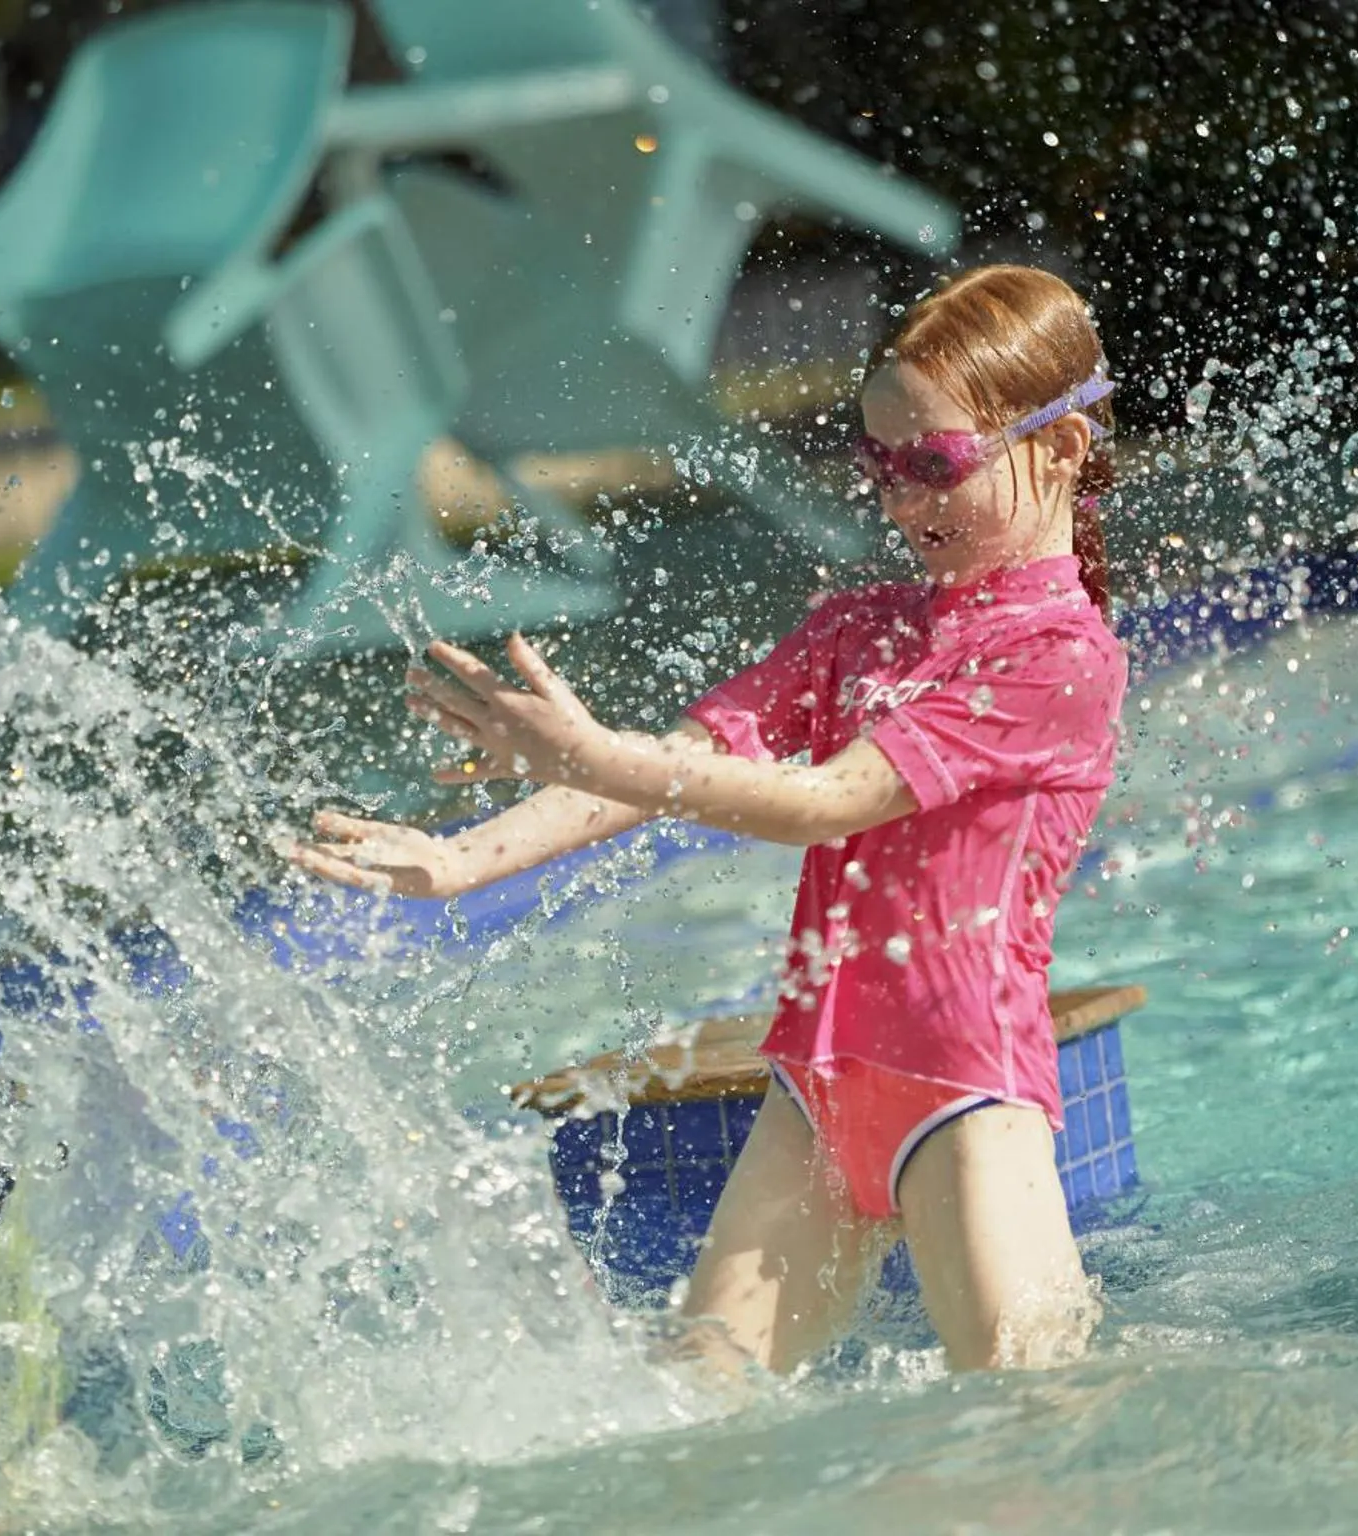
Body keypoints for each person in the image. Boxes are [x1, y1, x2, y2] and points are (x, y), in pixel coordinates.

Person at [294, 265, 1128, 1375]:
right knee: (692, 1407)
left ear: (1059, 448)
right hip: (815, 1096)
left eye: (931, 465)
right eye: (875, 465)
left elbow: (827, 803)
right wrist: (461, 861)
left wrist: (592, 750)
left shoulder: (1059, 660)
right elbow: (679, 762)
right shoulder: (857, 631)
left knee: (1035, 1443)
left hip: (965, 1098)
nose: (895, 501)